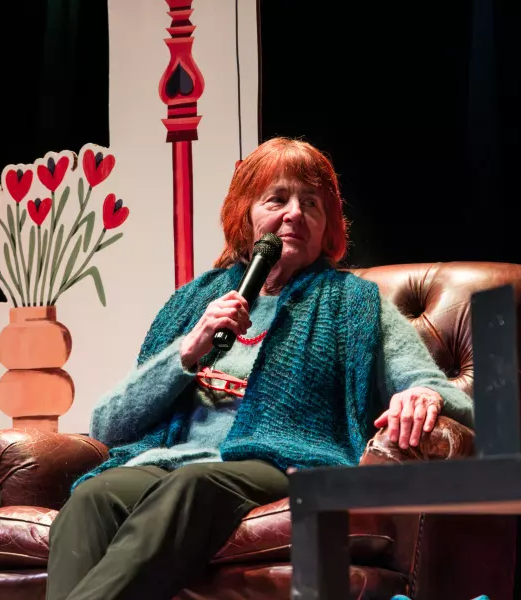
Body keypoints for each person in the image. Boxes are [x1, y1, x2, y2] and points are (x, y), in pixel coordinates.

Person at [46, 137, 475, 600]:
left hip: (285, 461)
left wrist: (424, 395)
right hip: (174, 461)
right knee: (93, 496)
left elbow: (449, 395)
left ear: (327, 225)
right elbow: (107, 425)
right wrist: (186, 352)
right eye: (277, 199)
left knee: (195, 484)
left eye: (311, 203)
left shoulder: (354, 304)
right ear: (245, 215)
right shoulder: (196, 301)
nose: (294, 214)